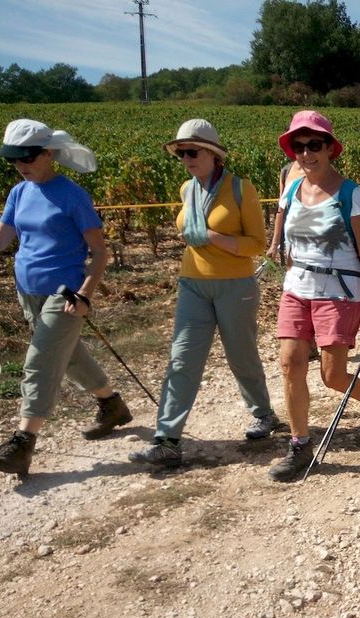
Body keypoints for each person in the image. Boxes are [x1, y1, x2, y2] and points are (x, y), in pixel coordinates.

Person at [129, 119, 279, 468]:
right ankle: (167, 439)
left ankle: (264, 414)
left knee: (241, 356)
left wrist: (211, 237)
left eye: (192, 151)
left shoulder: (242, 188)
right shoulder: (187, 190)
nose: (186, 158)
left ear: (213, 154)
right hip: (192, 283)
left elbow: (257, 244)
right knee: (182, 359)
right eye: (181, 153)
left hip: (235, 286)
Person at [0, 119, 131, 477]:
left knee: (40, 360)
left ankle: (22, 442)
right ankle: (111, 404)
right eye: (14, 160)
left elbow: (99, 252)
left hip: (65, 293)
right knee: (67, 356)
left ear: (48, 153)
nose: (21, 166)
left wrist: (86, 294)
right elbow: (0, 240)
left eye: (27, 159)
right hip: (28, 292)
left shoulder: (72, 195)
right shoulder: (18, 193)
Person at [268, 110, 360, 482]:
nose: (306, 153)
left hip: (338, 291)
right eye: (299, 146)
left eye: (314, 145)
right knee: (290, 363)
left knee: (332, 375)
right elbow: (284, 226)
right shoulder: (291, 187)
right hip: (297, 288)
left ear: (329, 148)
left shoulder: (348, 193)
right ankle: (300, 444)